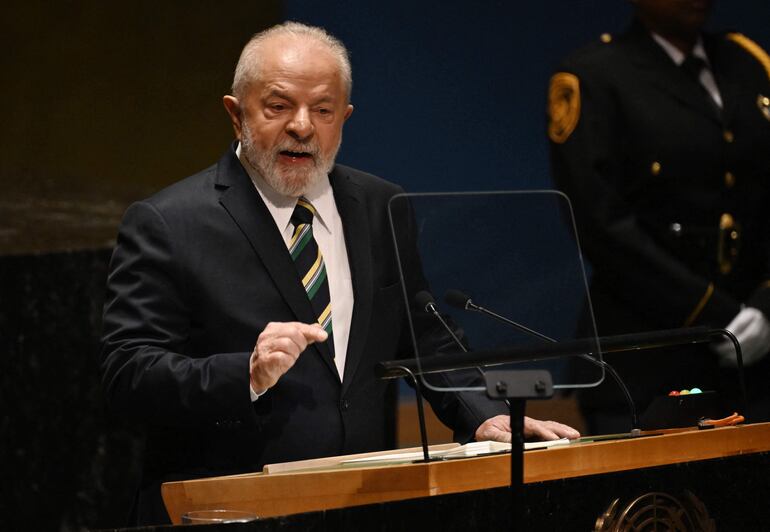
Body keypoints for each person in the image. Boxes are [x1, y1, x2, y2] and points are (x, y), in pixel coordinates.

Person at [101, 22, 578, 525]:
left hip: (362, 503)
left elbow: (422, 338)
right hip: (228, 509)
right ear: (236, 114)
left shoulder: (379, 204)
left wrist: (486, 414)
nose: (302, 127)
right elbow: (127, 375)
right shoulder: (169, 223)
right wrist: (244, 372)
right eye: (279, 106)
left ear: (344, 118)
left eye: (323, 110)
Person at [547, 0, 770, 434]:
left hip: (759, 352)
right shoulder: (596, 75)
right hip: (650, 351)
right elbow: (600, 224)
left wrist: (766, 302)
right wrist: (715, 314)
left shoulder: (748, 62)